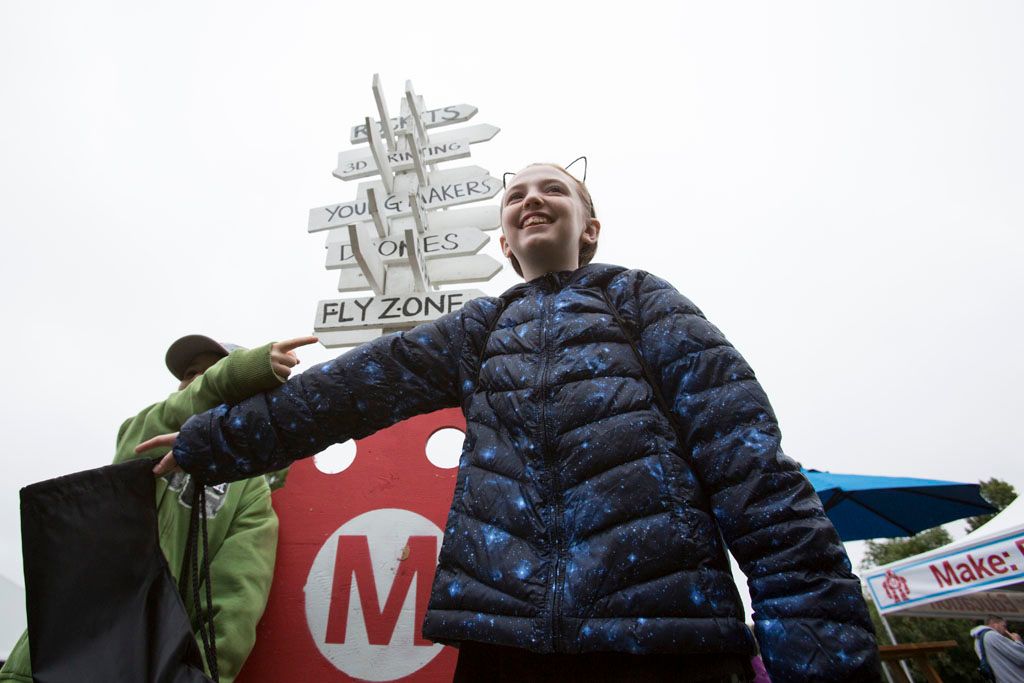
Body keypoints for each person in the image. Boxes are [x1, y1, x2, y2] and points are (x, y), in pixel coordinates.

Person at [140, 163, 882, 681]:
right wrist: (213, 440)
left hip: (666, 642)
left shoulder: (645, 302)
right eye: (515, 194)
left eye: (552, 189)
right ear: (502, 241)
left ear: (589, 227)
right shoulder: (479, 329)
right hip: (503, 646)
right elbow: (350, 390)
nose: (531, 199)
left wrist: (825, 659)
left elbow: (754, 474)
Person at [0, 334, 316, 683]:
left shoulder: (251, 492)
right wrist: (230, 377)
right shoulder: (146, 434)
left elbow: (233, 609)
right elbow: (166, 419)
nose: (193, 381)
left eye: (211, 371)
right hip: (44, 664)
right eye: (189, 373)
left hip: (137, 670)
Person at [972, 616, 1024, 682]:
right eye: (1004, 626)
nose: (1005, 631)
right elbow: (1020, 657)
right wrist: (1018, 641)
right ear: (995, 625)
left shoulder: (978, 639)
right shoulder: (992, 635)